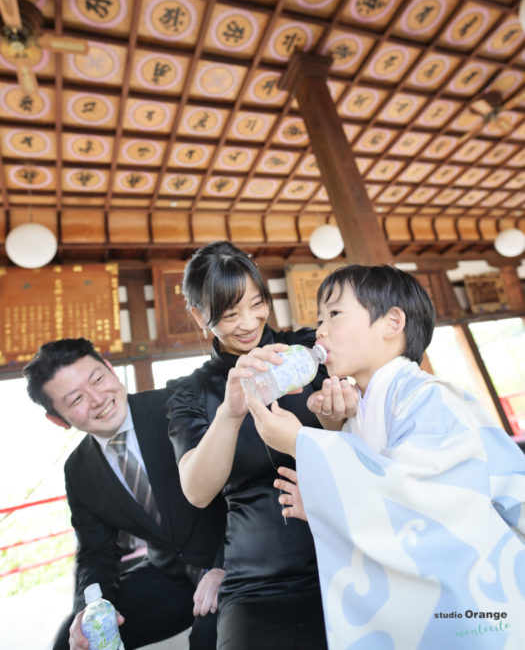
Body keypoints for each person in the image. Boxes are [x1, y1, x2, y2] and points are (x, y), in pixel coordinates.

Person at [247, 264, 525, 649]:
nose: (320, 330)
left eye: (334, 314)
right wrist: (326, 498)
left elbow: (425, 500)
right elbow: (383, 495)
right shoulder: (361, 410)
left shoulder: (429, 395)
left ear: (392, 322)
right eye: (319, 318)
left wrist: (302, 444)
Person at [165, 241, 355, 650]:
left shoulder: (311, 351)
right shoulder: (190, 393)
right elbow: (197, 493)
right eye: (230, 313)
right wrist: (230, 414)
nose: (249, 323)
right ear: (200, 316)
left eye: (257, 303)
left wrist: (333, 420)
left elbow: (365, 438)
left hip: (345, 554)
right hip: (256, 582)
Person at [24, 337, 227, 650]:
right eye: (76, 399)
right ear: (57, 419)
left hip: (233, 558)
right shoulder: (78, 470)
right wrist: (89, 607)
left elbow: (244, 492)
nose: (97, 399)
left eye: (98, 379)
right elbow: (96, 551)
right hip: (170, 576)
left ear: (110, 368)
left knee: (208, 640)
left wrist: (224, 565)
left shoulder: (177, 404)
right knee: (77, 640)